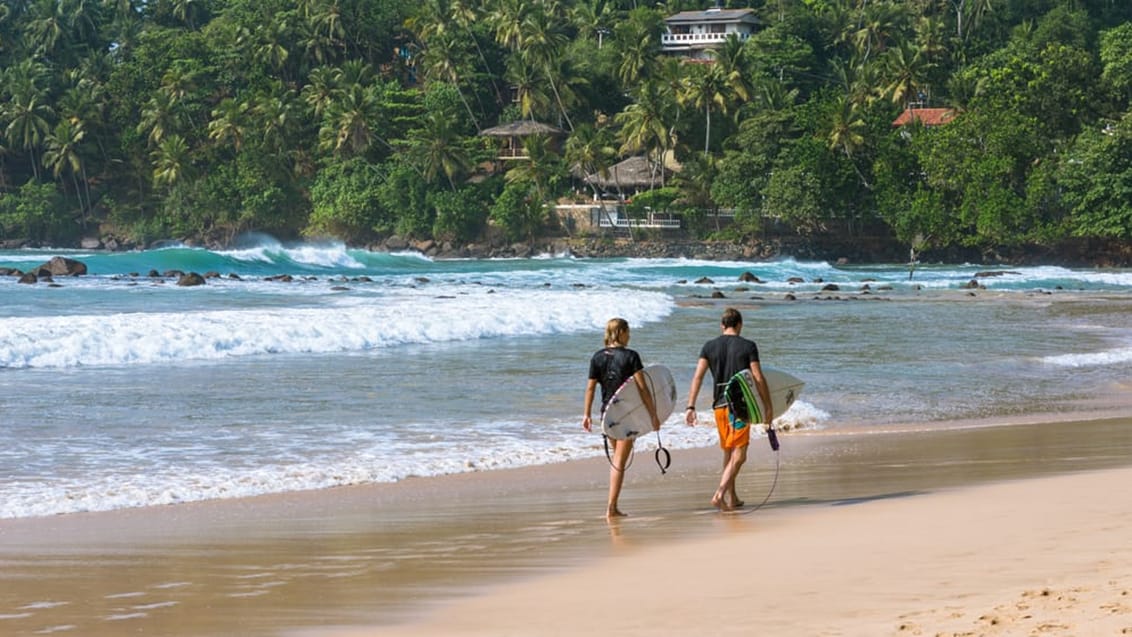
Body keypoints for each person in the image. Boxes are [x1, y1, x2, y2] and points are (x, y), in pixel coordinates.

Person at [684, 307, 773, 511]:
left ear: (722, 325)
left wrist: (691, 406)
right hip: (739, 409)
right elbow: (758, 377)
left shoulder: (709, 346)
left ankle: (732, 498)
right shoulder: (748, 346)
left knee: (728, 451)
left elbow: (698, 377)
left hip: (719, 407)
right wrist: (768, 406)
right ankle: (719, 494)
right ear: (739, 324)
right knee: (740, 455)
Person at [583, 318, 662, 519]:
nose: (630, 336)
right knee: (619, 462)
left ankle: (613, 505)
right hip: (627, 416)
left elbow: (591, 388)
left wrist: (586, 414)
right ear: (621, 333)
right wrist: (653, 414)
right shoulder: (631, 356)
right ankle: (611, 507)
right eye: (628, 332)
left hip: (607, 414)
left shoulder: (597, 357)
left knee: (617, 459)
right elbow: (643, 388)